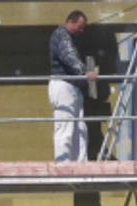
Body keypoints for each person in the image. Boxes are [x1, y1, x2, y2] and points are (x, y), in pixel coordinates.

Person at [48, 10, 97, 162]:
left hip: (71, 87)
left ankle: (79, 163)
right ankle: (63, 163)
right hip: (63, 85)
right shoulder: (61, 34)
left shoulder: (68, 37)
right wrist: (85, 72)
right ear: (71, 21)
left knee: (79, 129)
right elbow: (68, 56)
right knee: (65, 127)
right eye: (80, 27)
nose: (81, 31)